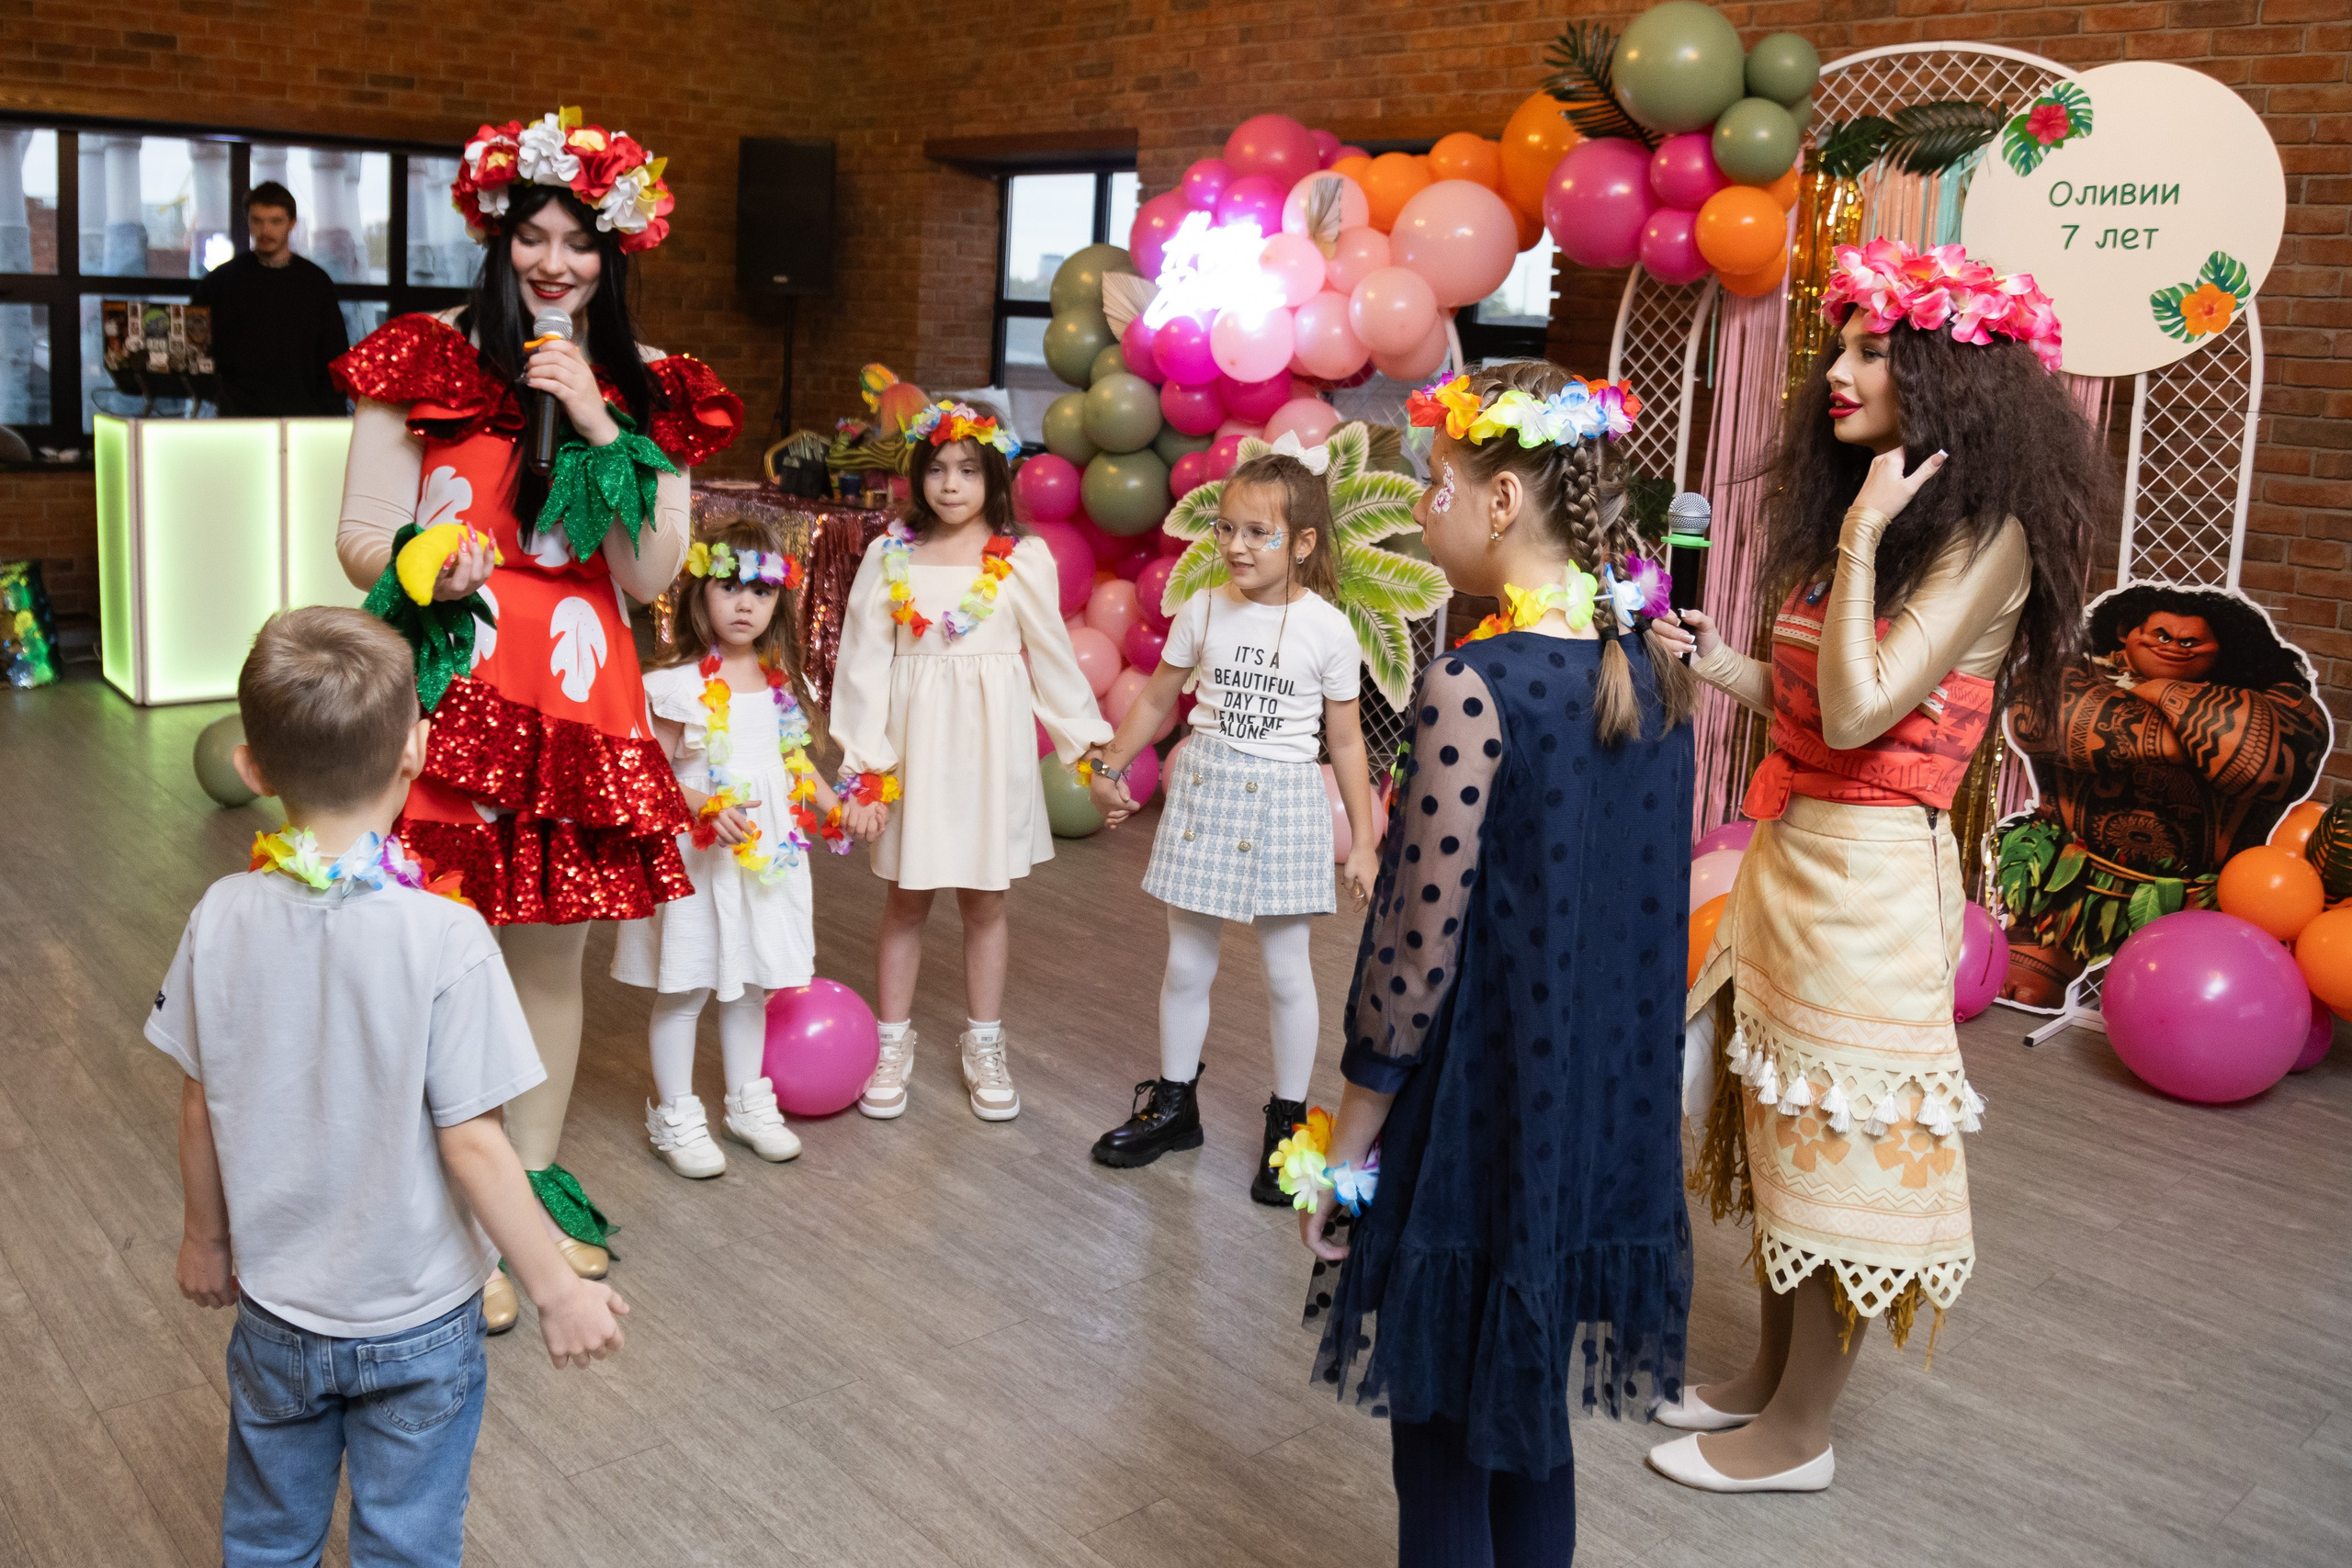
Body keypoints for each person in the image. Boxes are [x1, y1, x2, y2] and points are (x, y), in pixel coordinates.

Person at [1649, 239, 2103, 1491]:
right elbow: (1805, 706)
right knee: (1788, 1132)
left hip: (1871, 888)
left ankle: (1801, 1437)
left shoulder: (1983, 537)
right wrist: (1713, 656)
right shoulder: (1898, 525)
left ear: (1950, 380)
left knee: (1842, 1152)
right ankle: (1767, 1386)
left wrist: (1858, 533)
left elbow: (1858, 714)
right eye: (1838, 345)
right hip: (1796, 864)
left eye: (1869, 349)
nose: (1835, 371)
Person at [333, 107, 741, 1322]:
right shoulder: (425, 354)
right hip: (451, 687)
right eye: (532, 236)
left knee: (548, 955)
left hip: (578, 694)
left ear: (616, 253)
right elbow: (356, 536)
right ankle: (434, 1198)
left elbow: (654, 575)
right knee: (427, 952)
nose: (554, 262)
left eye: (580, 241)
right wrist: (424, 559)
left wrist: (607, 422)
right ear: (497, 235)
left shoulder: (648, 382)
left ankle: (530, 1184)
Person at [1289, 364, 1696, 1567]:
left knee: (1444, 1443)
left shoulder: (1477, 684)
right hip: (1596, 1115)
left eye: (1439, 484)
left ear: (1504, 498)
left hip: (1477, 1110)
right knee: (1529, 1421)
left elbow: (1413, 953)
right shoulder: (1656, 674)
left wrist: (1346, 1152)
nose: (1426, 510)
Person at [155, 607, 627, 1568]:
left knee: (267, 1534)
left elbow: (201, 1099)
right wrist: (554, 1291)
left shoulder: (221, 912)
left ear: (251, 767)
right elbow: (477, 1141)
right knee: (407, 1542)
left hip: (278, 1307)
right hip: (417, 1318)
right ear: (417, 748)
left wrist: (205, 1239)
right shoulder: (446, 936)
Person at [1084, 449, 1379, 1201]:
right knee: (1187, 961)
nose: (1237, 545)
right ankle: (1175, 1103)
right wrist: (1112, 765)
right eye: (1226, 528)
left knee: (1287, 971)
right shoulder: (1204, 608)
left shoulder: (1328, 630)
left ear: (1304, 543)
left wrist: (1367, 843)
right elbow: (1156, 701)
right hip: (1208, 792)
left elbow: (1345, 740)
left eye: (1259, 531)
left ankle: (1287, 1121)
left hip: (1285, 802)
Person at [829, 400, 1113, 1122]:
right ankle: (891, 1041)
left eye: (967, 470)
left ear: (992, 474)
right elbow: (861, 666)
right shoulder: (888, 554)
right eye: (937, 470)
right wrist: (866, 768)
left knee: (986, 901)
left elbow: (1053, 660)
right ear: (918, 475)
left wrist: (1092, 754)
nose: (951, 485)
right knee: (905, 896)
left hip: (989, 748)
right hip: (912, 746)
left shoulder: (1020, 560)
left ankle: (984, 1042)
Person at [614, 516, 856, 1175]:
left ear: (780, 600)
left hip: (764, 859)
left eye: (760, 590)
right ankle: (677, 1114)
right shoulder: (676, 685)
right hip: (697, 861)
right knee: (685, 986)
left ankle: (747, 1103)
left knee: (750, 984)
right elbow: (649, 774)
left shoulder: (781, 688)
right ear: (700, 594)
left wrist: (841, 808)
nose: (744, 603)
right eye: (728, 587)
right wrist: (702, 804)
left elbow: (795, 764)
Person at [1997, 582, 2330, 1006]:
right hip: (2069, 893)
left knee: (2170, 1020)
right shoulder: (2064, 671)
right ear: (2124, 632)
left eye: (2192, 642)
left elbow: (2259, 760)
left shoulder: (2282, 698)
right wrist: (2194, 743)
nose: (2175, 648)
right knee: (2021, 995)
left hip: (2200, 908)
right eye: (2161, 636)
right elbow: (2045, 719)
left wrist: (2160, 691)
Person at [191, 180, 351, 417]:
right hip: (238, 415)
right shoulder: (222, 281)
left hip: (303, 414)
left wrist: (330, 416)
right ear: (249, 222)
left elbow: (334, 355)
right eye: (258, 221)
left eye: (275, 221)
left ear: (292, 224)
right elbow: (194, 342)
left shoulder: (315, 283)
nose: (265, 231)